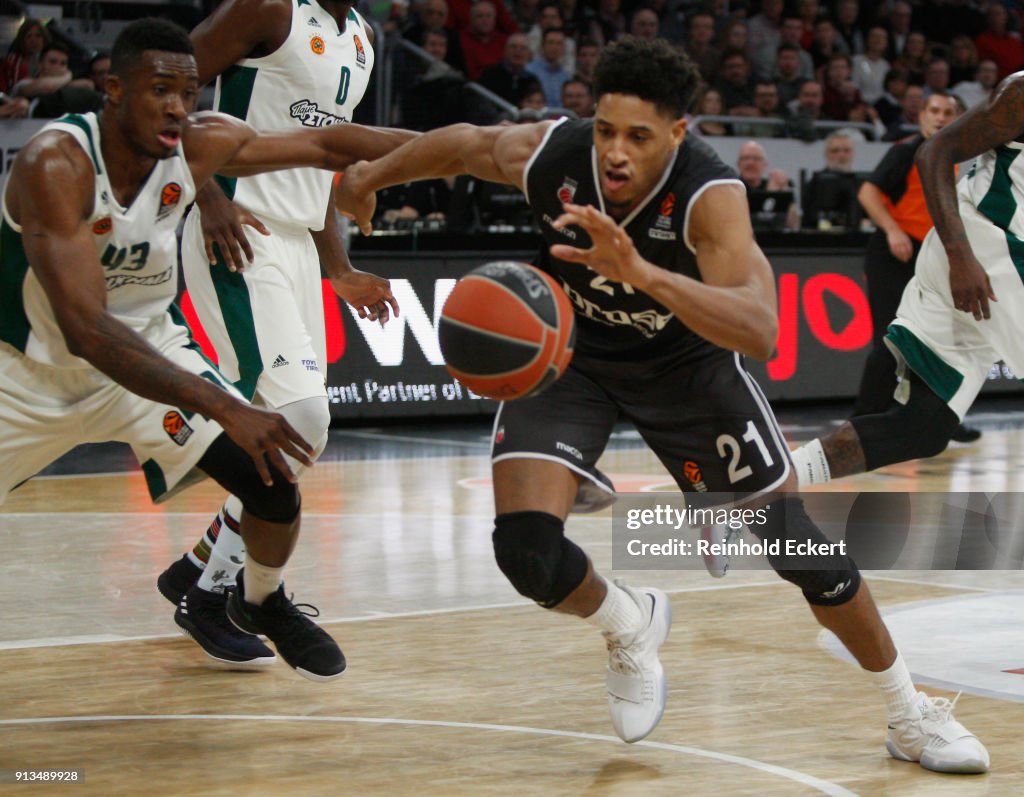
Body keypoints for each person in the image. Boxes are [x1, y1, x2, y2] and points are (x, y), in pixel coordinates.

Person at [335, 37, 989, 772]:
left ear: (677, 134)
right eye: (607, 129)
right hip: (575, 362)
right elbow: (463, 145)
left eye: (639, 137)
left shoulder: (711, 197)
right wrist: (371, 178)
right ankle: (629, 621)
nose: (615, 152)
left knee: (796, 547)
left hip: (689, 368)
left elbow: (761, 329)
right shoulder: (555, 155)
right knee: (523, 551)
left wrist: (638, 269)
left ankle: (909, 712)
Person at [0, 18, 415, 681]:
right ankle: (210, 582)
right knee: (268, 424)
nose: (176, 106)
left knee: (274, 476)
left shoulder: (198, 146)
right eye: (159, 89)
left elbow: (327, 141)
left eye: (188, 93)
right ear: (113, 89)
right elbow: (85, 328)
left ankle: (258, 597)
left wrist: (479, 148)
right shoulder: (57, 162)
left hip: (145, 362)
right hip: (29, 375)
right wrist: (224, 403)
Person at [153, 0, 411, 667]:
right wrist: (204, 192)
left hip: (296, 240)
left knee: (297, 429)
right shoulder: (267, 8)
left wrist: (340, 266)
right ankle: (218, 597)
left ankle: (199, 567)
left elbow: (325, 159)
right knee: (298, 416)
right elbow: (166, 85)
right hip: (239, 225)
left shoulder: (360, 38)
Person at [790, 66, 1024, 497]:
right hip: (983, 252)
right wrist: (961, 256)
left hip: (986, 266)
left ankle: (752, 486)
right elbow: (935, 152)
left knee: (922, 428)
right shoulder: (1021, 92)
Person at [845, 91, 980, 447]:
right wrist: (892, 230)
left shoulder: (953, 159)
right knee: (890, 341)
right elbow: (867, 193)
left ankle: (942, 421)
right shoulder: (907, 151)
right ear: (921, 116)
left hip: (931, 257)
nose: (939, 118)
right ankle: (862, 423)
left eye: (948, 112)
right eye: (933, 111)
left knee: (941, 343)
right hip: (895, 254)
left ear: (959, 118)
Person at [801, 129, 864, 230]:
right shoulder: (814, 183)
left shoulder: (861, 184)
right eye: (835, 151)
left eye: (846, 150)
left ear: (853, 154)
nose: (841, 155)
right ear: (826, 154)